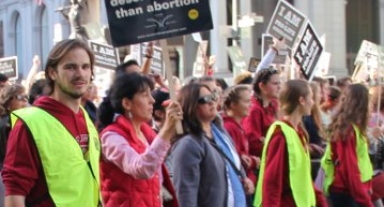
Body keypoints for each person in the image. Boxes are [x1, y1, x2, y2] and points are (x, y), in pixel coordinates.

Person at [2, 39, 101, 207]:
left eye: (85, 67)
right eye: (70, 67)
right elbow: (14, 195)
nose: (80, 74)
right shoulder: (30, 124)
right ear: (53, 73)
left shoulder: (85, 116)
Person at [98, 73, 180, 207]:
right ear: (127, 103)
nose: (152, 100)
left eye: (151, 94)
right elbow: (142, 169)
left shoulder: (146, 133)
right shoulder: (111, 137)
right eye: (145, 95)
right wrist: (166, 129)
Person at [171, 83, 254, 207]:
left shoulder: (220, 133)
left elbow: (233, 165)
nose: (212, 102)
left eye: (213, 96)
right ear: (191, 106)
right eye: (205, 99)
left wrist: (244, 179)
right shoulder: (188, 145)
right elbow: (185, 193)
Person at [254, 79, 328, 207]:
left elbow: (304, 178)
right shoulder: (281, 134)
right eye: (310, 98)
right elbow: (272, 181)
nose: (313, 102)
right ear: (301, 100)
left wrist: (321, 203)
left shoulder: (298, 132)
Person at [321, 84, 374, 207]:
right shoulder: (348, 131)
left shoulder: (351, 128)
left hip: (352, 191)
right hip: (348, 192)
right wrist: (365, 199)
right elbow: (350, 169)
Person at [222, 85, 258, 207]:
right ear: (233, 104)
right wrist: (254, 161)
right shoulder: (229, 127)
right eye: (246, 101)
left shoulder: (237, 125)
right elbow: (238, 159)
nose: (250, 105)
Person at [0, 84, 29, 205]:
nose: (25, 100)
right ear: (9, 100)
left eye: (26, 97)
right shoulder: (6, 124)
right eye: (20, 97)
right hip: (9, 179)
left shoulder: (25, 120)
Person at [242, 67, 280, 157]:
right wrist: (272, 144)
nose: (279, 87)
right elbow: (253, 143)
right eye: (275, 84)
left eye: (279, 83)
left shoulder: (274, 104)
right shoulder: (254, 109)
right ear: (262, 86)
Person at [303, 82, 326, 179]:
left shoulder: (315, 116)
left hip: (318, 162)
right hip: (310, 164)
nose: (320, 96)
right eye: (318, 93)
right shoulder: (305, 119)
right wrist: (313, 148)